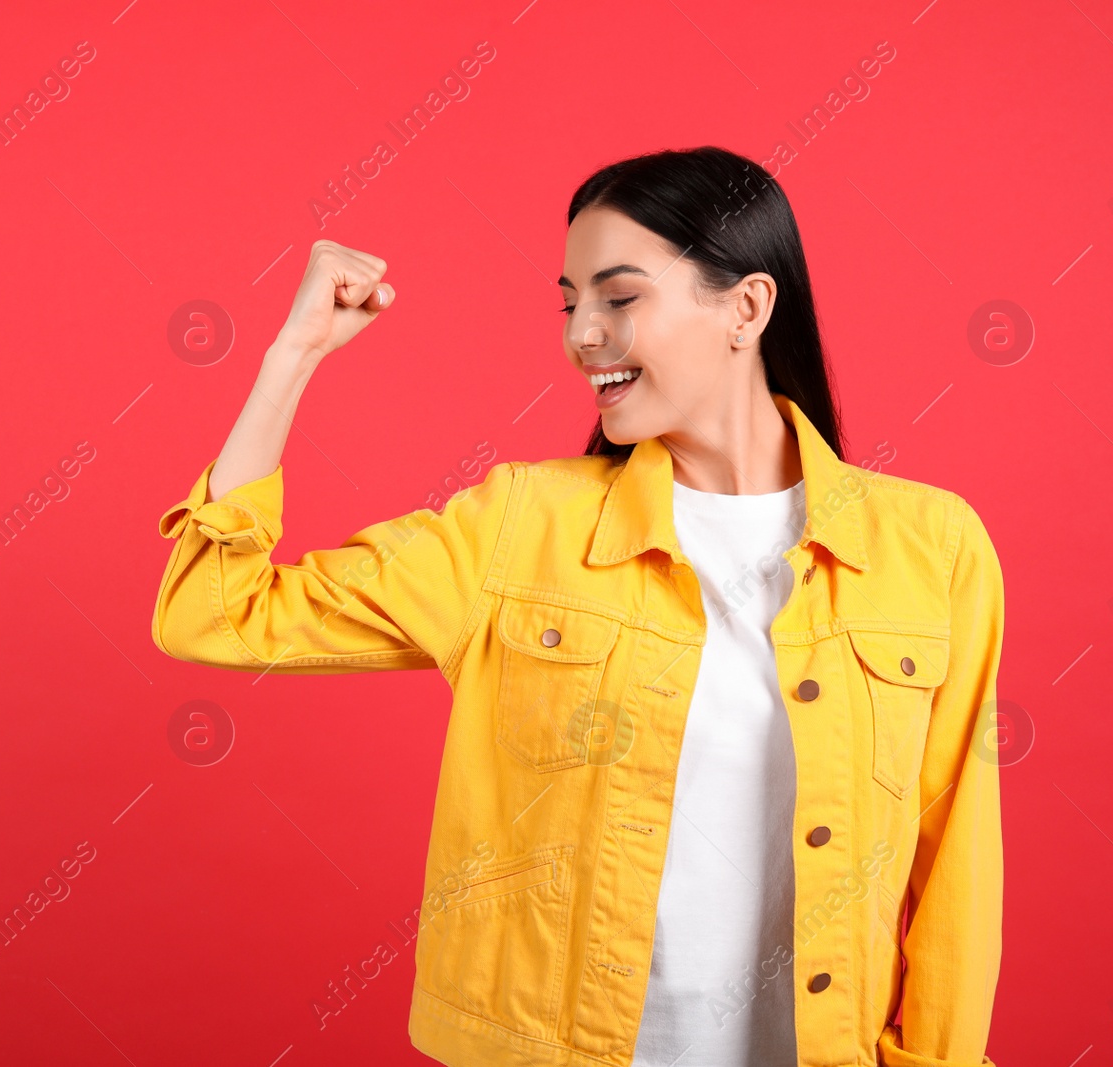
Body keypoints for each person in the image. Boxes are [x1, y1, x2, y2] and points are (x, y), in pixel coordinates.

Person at [152, 146, 1004, 1067]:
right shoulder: (522, 525)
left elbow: (956, 858)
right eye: (570, 303)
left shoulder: (932, 548)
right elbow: (215, 610)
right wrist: (293, 356)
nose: (581, 336)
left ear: (748, 308)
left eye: (619, 296)